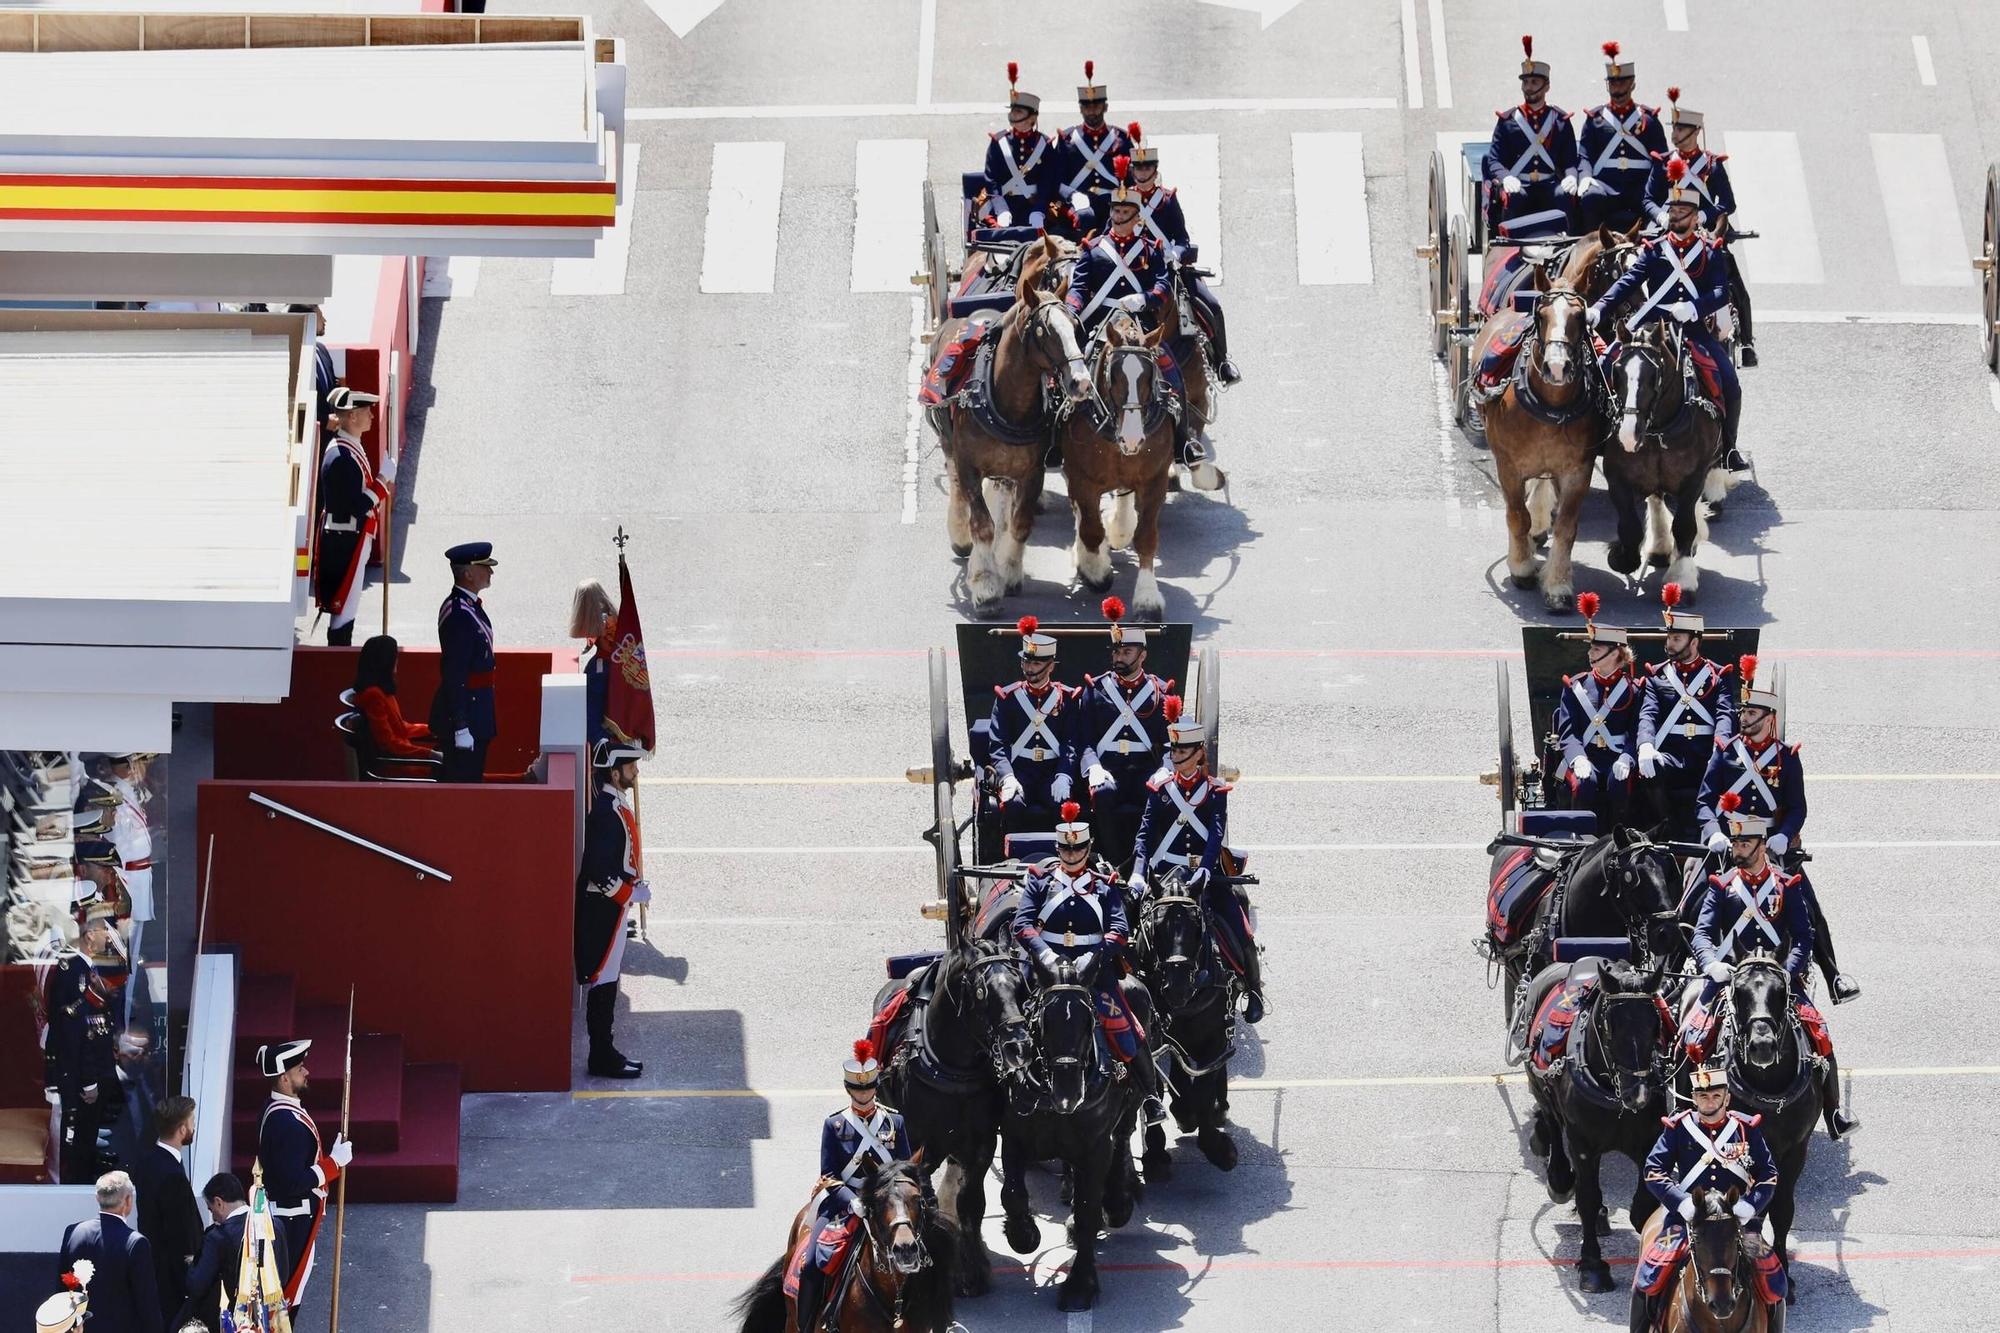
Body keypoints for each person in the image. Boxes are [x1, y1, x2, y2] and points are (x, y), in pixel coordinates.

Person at [1688, 795, 1857, 1140]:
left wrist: (1788, 970)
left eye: (1745, 842)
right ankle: (1682, 1111)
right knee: (1693, 1035)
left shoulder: (1786, 886)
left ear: (1762, 845)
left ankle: (1833, 1111)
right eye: (1735, 841)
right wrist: (1711, 963)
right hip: (1732, 975)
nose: (1737, 848)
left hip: (1777, 977)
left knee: (1820, 1033)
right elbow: (1703, 934)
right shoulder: (1721, 887)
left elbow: (1804, 936)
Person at [1696, 667, 1859, 1005]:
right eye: (1743, 712)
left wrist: (1785, 834)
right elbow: (1705, 801)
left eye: (1752, 713)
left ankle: (1834, 976)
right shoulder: (1726, 751)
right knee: (1689, 905)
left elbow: (1798, 807)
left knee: (1810, 908)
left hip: (1773, 845)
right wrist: (1712, 832)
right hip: (1730, 842)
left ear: (1769, 717)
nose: (1744, 718)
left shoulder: (1787, 757)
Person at [1591, 158, 1746, 477]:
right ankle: (1599, 435)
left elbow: (1721, 293)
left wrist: (1696, 308)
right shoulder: (1653, 249)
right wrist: (1599, 309)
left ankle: (1727, 449)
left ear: (1694, 217)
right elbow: (1627, 282)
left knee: (1730, 384)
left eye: (1682, 214)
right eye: (1672, 213)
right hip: (1652, 328)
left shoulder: (1709, 251)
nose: (1675, 219)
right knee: (1605, 368)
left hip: (1692, 331)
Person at [1015, 802, 1166, 1124]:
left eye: (1078, 849)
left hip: (1093, 974)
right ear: (1058, 849)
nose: (1072, 856)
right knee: (1007, 1025)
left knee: (1127, 1030)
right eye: (1066, 850)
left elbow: (1119, 928)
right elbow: (1023, 924)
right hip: (1044, 975)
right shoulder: (1040, 882)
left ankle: (1150, 1095)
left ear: (1088, 848)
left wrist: (1094, 956)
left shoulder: (1105, 886)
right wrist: (1045, 954)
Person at [1131, 698, 1264, 1024]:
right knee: (1130, 930)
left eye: (1181, 752)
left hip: (1202, 877)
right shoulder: (1159, 788)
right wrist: (1137, 871)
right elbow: (1145, 835)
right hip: (1164, 876)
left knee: (1238, 926)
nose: (1175, 757)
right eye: (1173, 752)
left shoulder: (1215, 792)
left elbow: (1216, 834)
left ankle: (1254, 989)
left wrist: (1205, 868)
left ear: (1197, 753)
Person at [1629, 1063, 1784, 1332]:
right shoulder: (1678, 1128)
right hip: (1687, 1219)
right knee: (1648, 1277)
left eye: (1715, 1096)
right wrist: (1681, 1202)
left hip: (1737, 1221)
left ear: (1727, 1097)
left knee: (1773, 1282)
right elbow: (1654, 1171)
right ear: (1694, 1098)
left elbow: (1768, 1174)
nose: (1709, 1102)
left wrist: (1751, 1205)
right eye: (1702, 1096)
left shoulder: (1746, 1129)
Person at [789, 1041, 914, 1333]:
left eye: (869, 1088)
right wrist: (852, 1201)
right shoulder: (835, 1125)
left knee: (927, 1257)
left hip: (887, 1204)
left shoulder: (894, 1122)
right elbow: (830, 1175)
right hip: (845, 1207)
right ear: (849, 1089)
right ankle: (807, 1326)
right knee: (811, 1266)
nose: (864, 1094)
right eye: (858, 1089)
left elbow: (906, 1168)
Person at [1645, 88, 1757, 369]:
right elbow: (1647, 198)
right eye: (1675, 127)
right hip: (1669, 230)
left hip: (1704, 233)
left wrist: (1706, 216)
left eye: (1682, 127)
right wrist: (1659, 216)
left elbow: (1728, 203)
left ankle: (1746, 342)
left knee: (1733, 278)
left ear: (1696, 131)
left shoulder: (1711, 165)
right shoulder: (1662, 164)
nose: (1676, 132)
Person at [1128, 126, 1241, 385]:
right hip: (1131, 271)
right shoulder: (1123, 201)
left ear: (1155, 170)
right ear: (1132, 171)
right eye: (1138, 168)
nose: (1143, 173)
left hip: (1168, 270)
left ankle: (1221, 362)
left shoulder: (1167, 200)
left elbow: (1182, 238)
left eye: (1147, 168)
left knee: (1211, 306)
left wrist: (1175, 254)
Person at [254, 1039, 352, 1313]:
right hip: (293, 1221)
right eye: (300, 1069)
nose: (306, 1072)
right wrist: (333, 1164)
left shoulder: (280, 1110)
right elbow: (293, 1182)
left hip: (291, 1218)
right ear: (284, 1079)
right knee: (285, 1302)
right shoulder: (286, 1123)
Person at [1635, 584, 1737, 841]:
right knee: (1649, 768)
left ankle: (1712, 828)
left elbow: (1725, 714)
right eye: (1668, 638)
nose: (1669, 644)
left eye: (1676, 639)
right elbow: (1648, 714)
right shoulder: (1657, 676)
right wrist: (1646, 745)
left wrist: (1720, 744)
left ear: (1695, 641)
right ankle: (1669, 829)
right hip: (1670, 754)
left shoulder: (1718, 675)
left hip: (1705, 754)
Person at [1078, 598, 1173, 869]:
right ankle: (1113, 862)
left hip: (1144, 768)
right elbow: (1084, 740)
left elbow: (1171, 742)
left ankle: (1146, 862)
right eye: (1116, 652)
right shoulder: (1095, 690)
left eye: (1127, 652)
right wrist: (1094, 767)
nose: (1119, 658)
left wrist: (1165, 769)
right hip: (1109, 769)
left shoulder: (1160, 692)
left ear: (1142, 655)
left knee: (1157, 794)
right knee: (1103, 793)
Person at [575, 738, 650, 1079]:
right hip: (603, 909)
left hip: (613, 909)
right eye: (631, 766)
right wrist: (626, 894)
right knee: (602, 984)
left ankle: (606, 1051)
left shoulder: (614, 805)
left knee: (610, 982)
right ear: (616, 773)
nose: (635, 771)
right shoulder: (606, 812)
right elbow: (596, 868)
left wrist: (632, 887)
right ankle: (601, 1055)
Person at [985, 616, 1080, 845]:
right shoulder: (1007, 698)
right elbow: (998, 744)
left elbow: (1072, 742)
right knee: (1013, 804)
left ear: (1050, 666)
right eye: (1026, 662)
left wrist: (1064, 775)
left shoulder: (1066, 698)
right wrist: (1007, 776)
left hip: (1052, 771)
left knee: (1064, 807)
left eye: (1036, 664)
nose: (1029, 668)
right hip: (1020, 771)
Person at [1551, 596, 1639, 832]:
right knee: (1584, 784)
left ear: (1614, 653)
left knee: (1620, 784)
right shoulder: (1575, 686)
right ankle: (1578, 841)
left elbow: (1637, 732)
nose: (1591, 653)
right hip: (1585, 755)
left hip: (1616, 757)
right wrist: (1578, 758)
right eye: (1591, 647)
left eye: (1597, 649)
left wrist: (1627, 757)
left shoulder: (1634, 689)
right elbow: (1567, 733)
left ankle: (1618, 840)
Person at [46, 901, 118, 1184]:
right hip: (80, 1074)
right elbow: (76, 1031)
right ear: (89, 935)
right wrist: (88, 1080)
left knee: (88, 1135)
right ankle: (78, 1184)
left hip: (97, 1065)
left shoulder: (89, 966)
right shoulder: (72, 971)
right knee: (79, 1141)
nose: (108, 935)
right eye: (103, 930)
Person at [312, 386, 390, 648]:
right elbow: (352, 506)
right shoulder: (341, 457)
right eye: (366, 411)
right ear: (352, 416)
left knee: (348, 604)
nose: (371, 415)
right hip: (345, 538)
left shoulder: (348, 447)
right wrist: (381, 483)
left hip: (350, 536)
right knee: (344, 606)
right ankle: (338, 652)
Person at [1485, 36, 1578, 243]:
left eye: (1534, 82)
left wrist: (1571, 176)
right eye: (1526, 82)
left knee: (1564, 196)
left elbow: (1570, 160)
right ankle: (1507, 248)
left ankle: (1568, 247)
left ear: (1546, 87)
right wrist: (1506, 177)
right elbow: (1494, 160)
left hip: (1549, 184)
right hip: (1520, 185)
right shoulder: (1508, 121)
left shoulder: (1559, 121)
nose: (1529, 87)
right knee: (1515, 198)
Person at [1571, 42, 1666, 233]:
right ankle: (1591, 250)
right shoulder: (1595, 120)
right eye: (1613, 83)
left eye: (1622, 83)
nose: (1617, 89)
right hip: (1606, 187)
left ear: (1633, 84)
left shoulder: (1649, 119)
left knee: (1660, 205)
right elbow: (1585, 156)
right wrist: (1586, 178)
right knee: (1590, 197)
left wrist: (1654, 186)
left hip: (1641, 187)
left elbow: (1661, 158)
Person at [173, 1172, 286, 1332]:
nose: (214, 1217)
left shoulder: (218, 1237)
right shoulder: (276, 1226)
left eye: (211, 1210)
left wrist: (192, 1263)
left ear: (219, 1203)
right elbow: (284, 1273)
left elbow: (197, 1285)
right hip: (272, 1320)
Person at [129, 1096, 203, 1327]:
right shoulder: (172, 1175)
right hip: (172, 1277)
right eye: (191, 1121)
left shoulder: (148, 1161)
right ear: (182, 1129)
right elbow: (179, 1235)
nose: (194, 1126)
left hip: (154, 1264)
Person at [59, 1170, 163, 1333]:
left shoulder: (73, 1232)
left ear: (97, 1198)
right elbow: (147, 1304)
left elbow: (61, 1291)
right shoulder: (136, 1243)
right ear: (128, 1200)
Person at [429, 541, 499, 784]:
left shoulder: (469, 606)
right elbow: (454, 674)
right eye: (485, 567)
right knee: (463, 783)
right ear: (468, 573)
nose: (491, 572)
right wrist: (461, 726)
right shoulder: (458, 613)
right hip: (466, 715)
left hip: (478, 710)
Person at [1054, 61, 1132, 238]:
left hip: (1114, 206)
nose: (1092, 112)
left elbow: (1131, 179)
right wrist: (1073, 196)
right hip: (1079, 207)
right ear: (1080, 109)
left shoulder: (1122, 138)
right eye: (1087, 107)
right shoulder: (1067, 139)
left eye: (1096, 106)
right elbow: (1056, 180)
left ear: (1105, 107)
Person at [983, 64, 1060, 230]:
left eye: (1018, 112)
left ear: (1032, 117)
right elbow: (992, 180)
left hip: (1033, 205)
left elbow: (1048, 181)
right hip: (1003, 205)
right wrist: (1001, 209)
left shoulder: (1044, 145)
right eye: (1013, 111)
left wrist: (1039, 209)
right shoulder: (999, 142)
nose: (1012, 115)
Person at [351, 635, 438, 768]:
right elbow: (388, 742)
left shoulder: (380, 691)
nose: (397, 661)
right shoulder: (374, 695)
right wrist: (429, 754)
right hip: (398, 765)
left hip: (406, 759)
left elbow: (401, 728)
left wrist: (435, 730)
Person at [569, 578, 618, 748]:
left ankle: (599, 740)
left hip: (604, 665)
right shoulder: (612, 615)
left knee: (591, 706)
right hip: (617, 664)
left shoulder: (600, 620)